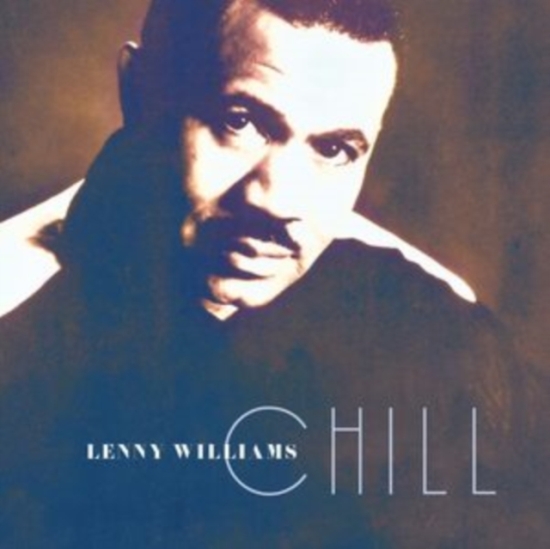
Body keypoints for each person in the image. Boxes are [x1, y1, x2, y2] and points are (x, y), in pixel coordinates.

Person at [0, 0, 548, 547]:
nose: (276, 199)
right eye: (239, 121)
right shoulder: (15, 311)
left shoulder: (437, 330)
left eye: (334, 149)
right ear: (139, 92)